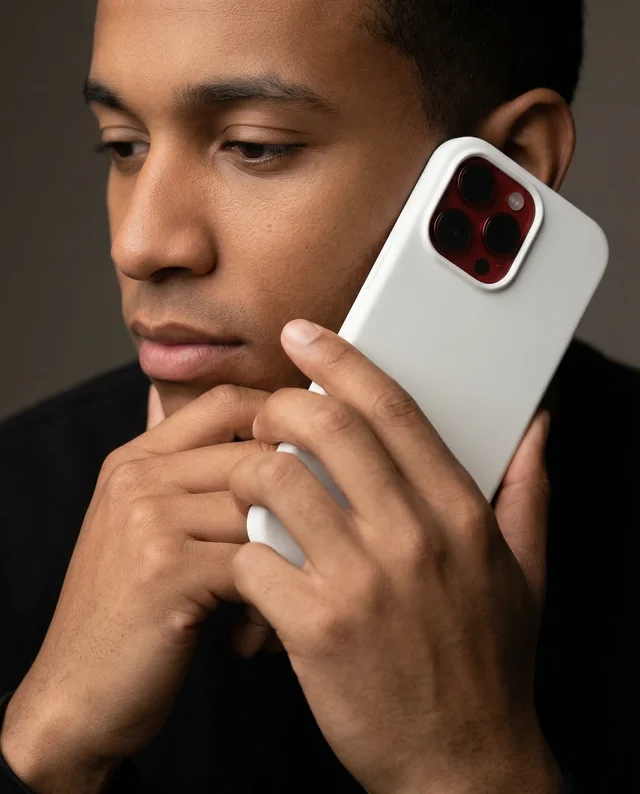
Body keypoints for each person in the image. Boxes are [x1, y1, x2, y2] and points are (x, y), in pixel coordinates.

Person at [0, 0, 633, 791]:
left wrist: (470, 766)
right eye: (123, 146)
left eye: (254, 147)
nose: (142, 243)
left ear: (515, 161)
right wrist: (41, 747)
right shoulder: (14, 506)